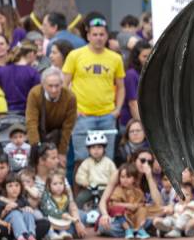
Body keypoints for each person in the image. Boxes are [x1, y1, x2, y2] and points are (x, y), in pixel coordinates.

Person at [63, 14, 125, 166]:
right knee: (82, 162)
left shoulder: (115, 58)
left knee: (107, 162)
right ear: (88, 35)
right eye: (95, 34)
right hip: (82, 117)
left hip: (107, 116)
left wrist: (117, 110)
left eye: (102, 34)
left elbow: (121, 87)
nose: (98, 38)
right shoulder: (75, 55)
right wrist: (73, 111)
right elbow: (64, 86)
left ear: (107, 36)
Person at [26, 67, 77, 160]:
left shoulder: (70, 97)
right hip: (39, 132)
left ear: (62, 84)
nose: (54, 90)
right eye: (50, 86)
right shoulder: (35, 94)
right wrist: (37, 148)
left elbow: (68, 127)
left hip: (59, 134)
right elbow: (31, 123)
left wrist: (62, 152)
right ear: (43, 85)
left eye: (57, 86)